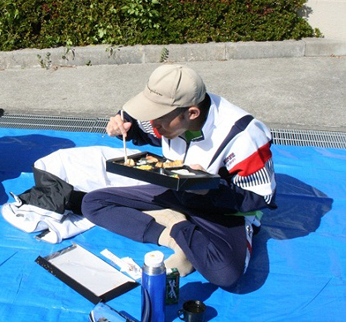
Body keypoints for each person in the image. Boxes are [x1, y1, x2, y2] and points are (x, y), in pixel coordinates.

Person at [81, 64, 276, 287]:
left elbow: (261, 198)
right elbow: (141, 127)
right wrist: (123, 125)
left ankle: (179, 225)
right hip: (178, 191)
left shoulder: (244, 136)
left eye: (159, 119)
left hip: (223, 210)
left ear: (192, 113)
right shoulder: (168, 116)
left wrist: (212, 187)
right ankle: (176, 233)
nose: (153, 124)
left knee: (225, 274)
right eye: (150, 113)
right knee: (93, 203)